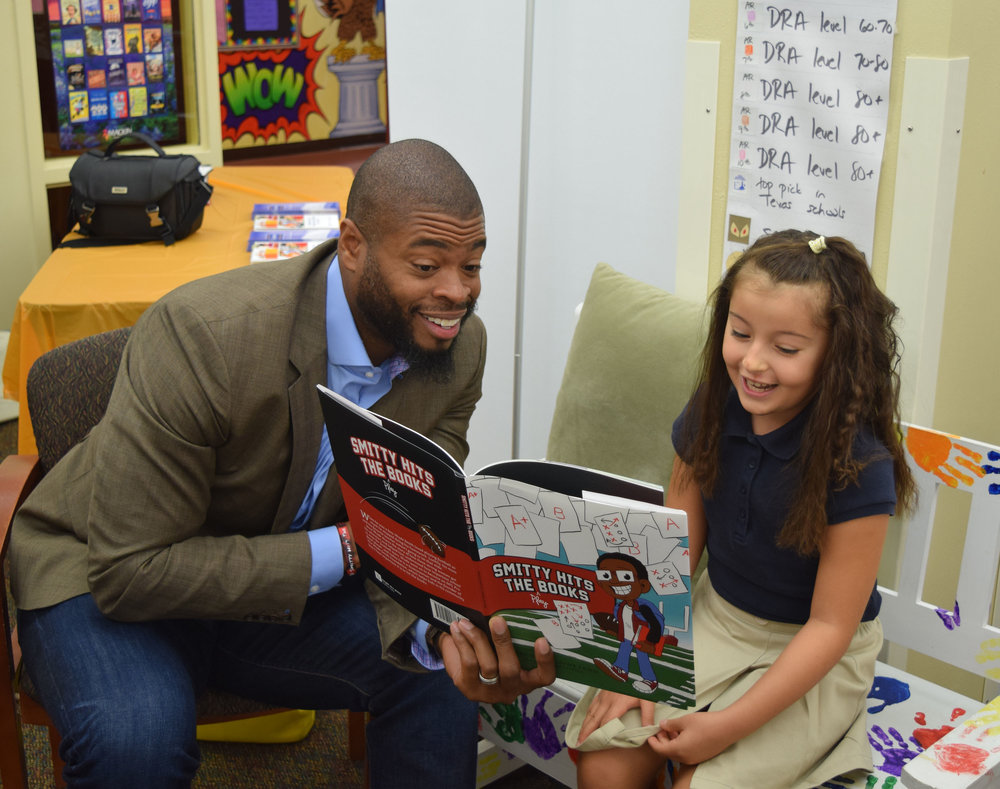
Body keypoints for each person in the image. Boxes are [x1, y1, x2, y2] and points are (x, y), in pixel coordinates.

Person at [10, 138, 554, 788]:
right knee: (136, 742)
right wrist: (348, 552)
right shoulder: (207, 337)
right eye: (427, 264)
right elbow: (130, 570)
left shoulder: (457, 351)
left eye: (472, 265)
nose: (457, 293)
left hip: (266, 577)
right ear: (352, 245)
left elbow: (406, 525)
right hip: (105, 576)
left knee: (433, 674)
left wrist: (437, 634)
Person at [566, 229, 916, 789]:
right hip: (714, 619)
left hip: (814, 655)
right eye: (739, 332)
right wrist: (627, 661)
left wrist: (724, 728)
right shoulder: (713, 406)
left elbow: (829, 627)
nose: (752, 362)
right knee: (605, 766)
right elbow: (671, 549)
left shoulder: (858, 462)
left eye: (786, 348)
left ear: (836, 355)